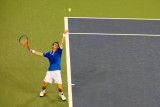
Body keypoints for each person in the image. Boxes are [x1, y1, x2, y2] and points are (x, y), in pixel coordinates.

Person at [30, 29, 69, 101]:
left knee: (60, 88)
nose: (56, 45)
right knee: (44, 85)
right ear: (52, 46)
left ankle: (61, 94)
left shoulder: (59, 52)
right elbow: (40, 54)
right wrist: (32, 51)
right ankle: (43, 91)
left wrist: (64, 35)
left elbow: (62, 43)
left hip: (57, 71)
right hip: (50, 72)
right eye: (55, 44)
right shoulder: (48, 53)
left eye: (57, 45)